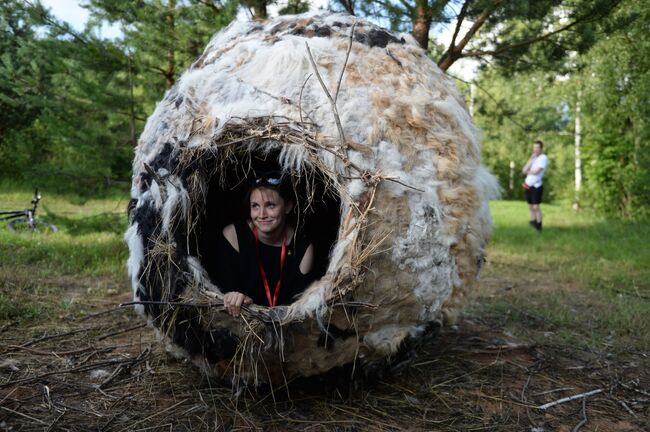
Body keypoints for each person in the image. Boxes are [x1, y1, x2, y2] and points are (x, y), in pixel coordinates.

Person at [215, 172, 315, 317]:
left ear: (287, 207)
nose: (261, 214)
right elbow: (219, 291)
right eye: (255, 206)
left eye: (270, 205)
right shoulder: (233, 236)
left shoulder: (303, 249)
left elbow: (300, 310)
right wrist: (235, 297)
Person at [522, 140, 548, 232]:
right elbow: (524, 169)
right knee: (530, 206)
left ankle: (539, 225)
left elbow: (537, 171)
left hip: (537, 186)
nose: (535, 149)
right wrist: (531, 159)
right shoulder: (534, 158)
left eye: (537, 147)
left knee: (536, 206)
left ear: (541, 148)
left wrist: (528, 171)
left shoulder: (543, 158)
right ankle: (533, 221)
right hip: (528, 184)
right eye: (534, 147)